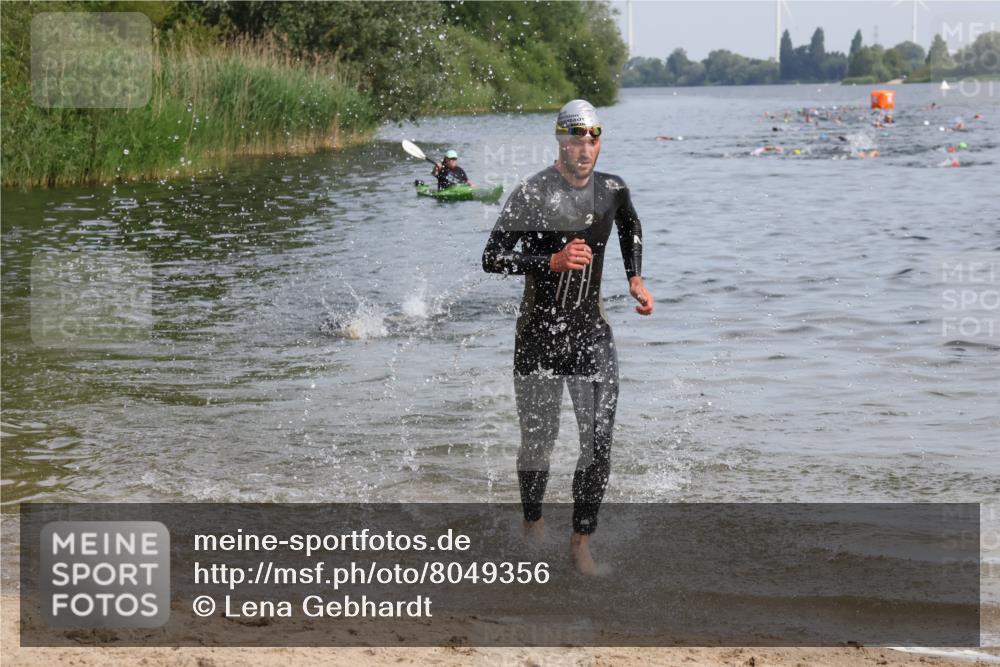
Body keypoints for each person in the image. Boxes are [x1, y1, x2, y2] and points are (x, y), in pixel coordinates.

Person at [481, 99, 653, 575]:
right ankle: (533, 524)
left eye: (592, 139)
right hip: (537, 335)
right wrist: (547, 262)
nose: (585, 149)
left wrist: (635, 278)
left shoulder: (613, 190)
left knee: (598, 438)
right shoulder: (531, 193)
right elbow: (492, 257)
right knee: (539, 442)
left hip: (590, 333)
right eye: (575, 139)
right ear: (560, 141)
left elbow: (630, 226)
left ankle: (580, 543)